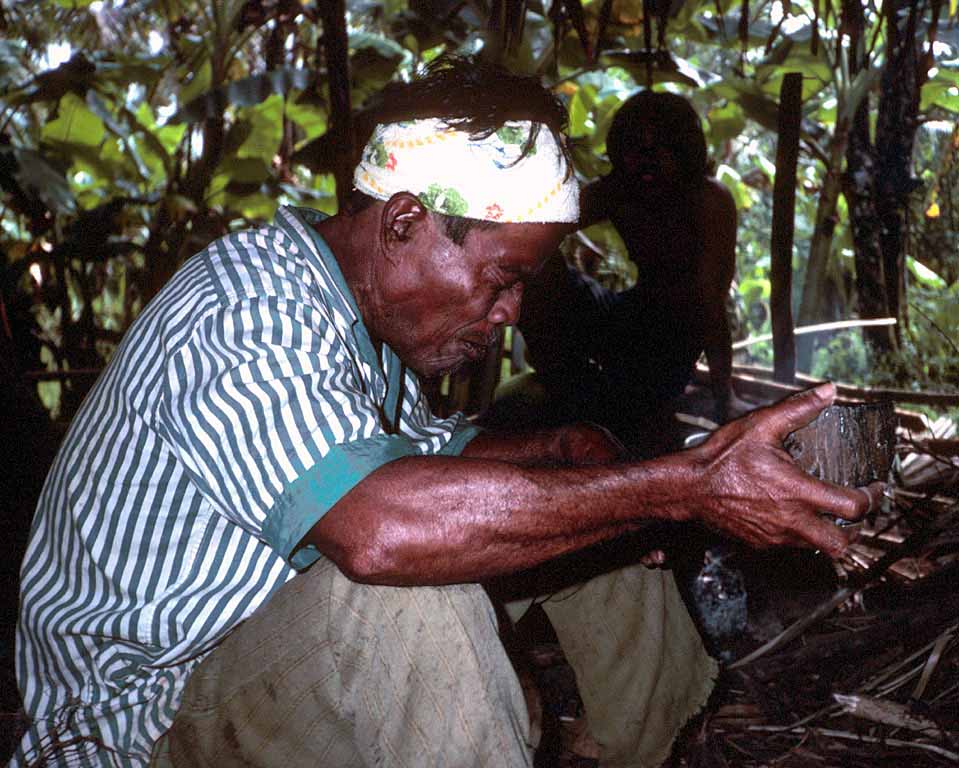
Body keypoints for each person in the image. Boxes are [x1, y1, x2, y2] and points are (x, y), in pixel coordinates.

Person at [12, 57, 879, 768]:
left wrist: (569, 451)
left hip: (258, 671)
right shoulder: (245, 310)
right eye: (501, 280)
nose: (509, 314)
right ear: (403, 224)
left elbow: (435, 455)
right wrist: (682, 485)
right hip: (142, 727)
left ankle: (637, 751)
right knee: (412, 593)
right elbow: (381, 531)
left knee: (592, 495)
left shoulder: (360, 323)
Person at [515, 90, 750, 456]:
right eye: (635, 149)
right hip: (625, 316)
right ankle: (562, 384)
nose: (645, 162)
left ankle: (606, 403)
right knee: (534, 267)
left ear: (682, 151)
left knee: (631, 404)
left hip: (670, 342)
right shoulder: (618, 191)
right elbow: (539, 228)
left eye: (658, 149)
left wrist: (725, 397)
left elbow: (709, 305)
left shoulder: (709, 201)